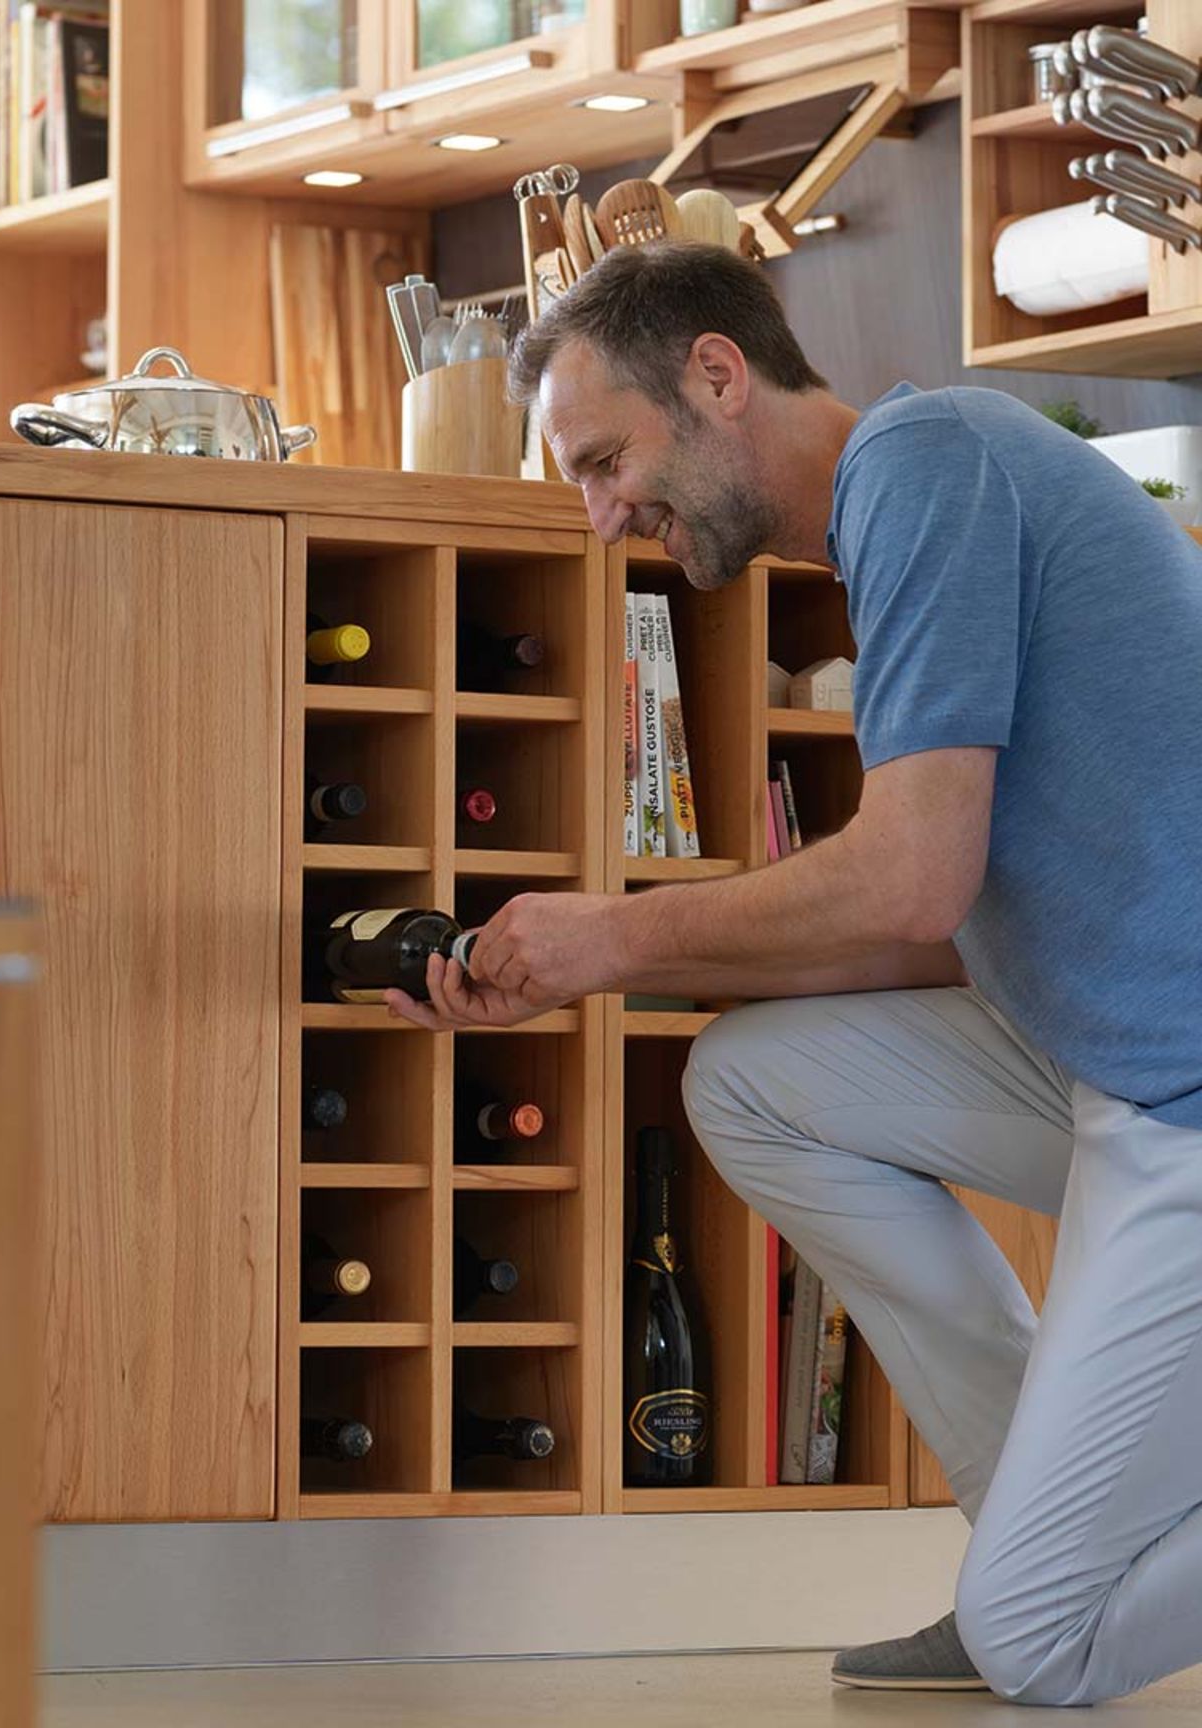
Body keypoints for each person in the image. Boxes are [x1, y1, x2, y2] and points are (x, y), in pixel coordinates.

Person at [384, 240, 1202, 1708]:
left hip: (1183, 1091)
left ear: (716, 374)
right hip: (1116, 1058)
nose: (597, 517)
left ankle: (1044, 1596)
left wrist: (612, 935)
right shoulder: (897, 511)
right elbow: (921, 924)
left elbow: (904, 880)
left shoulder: (926, 466)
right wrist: (571, 967)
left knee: (1043, 1650)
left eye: (604, 460)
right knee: (758, 1083)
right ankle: (1034, 1536)